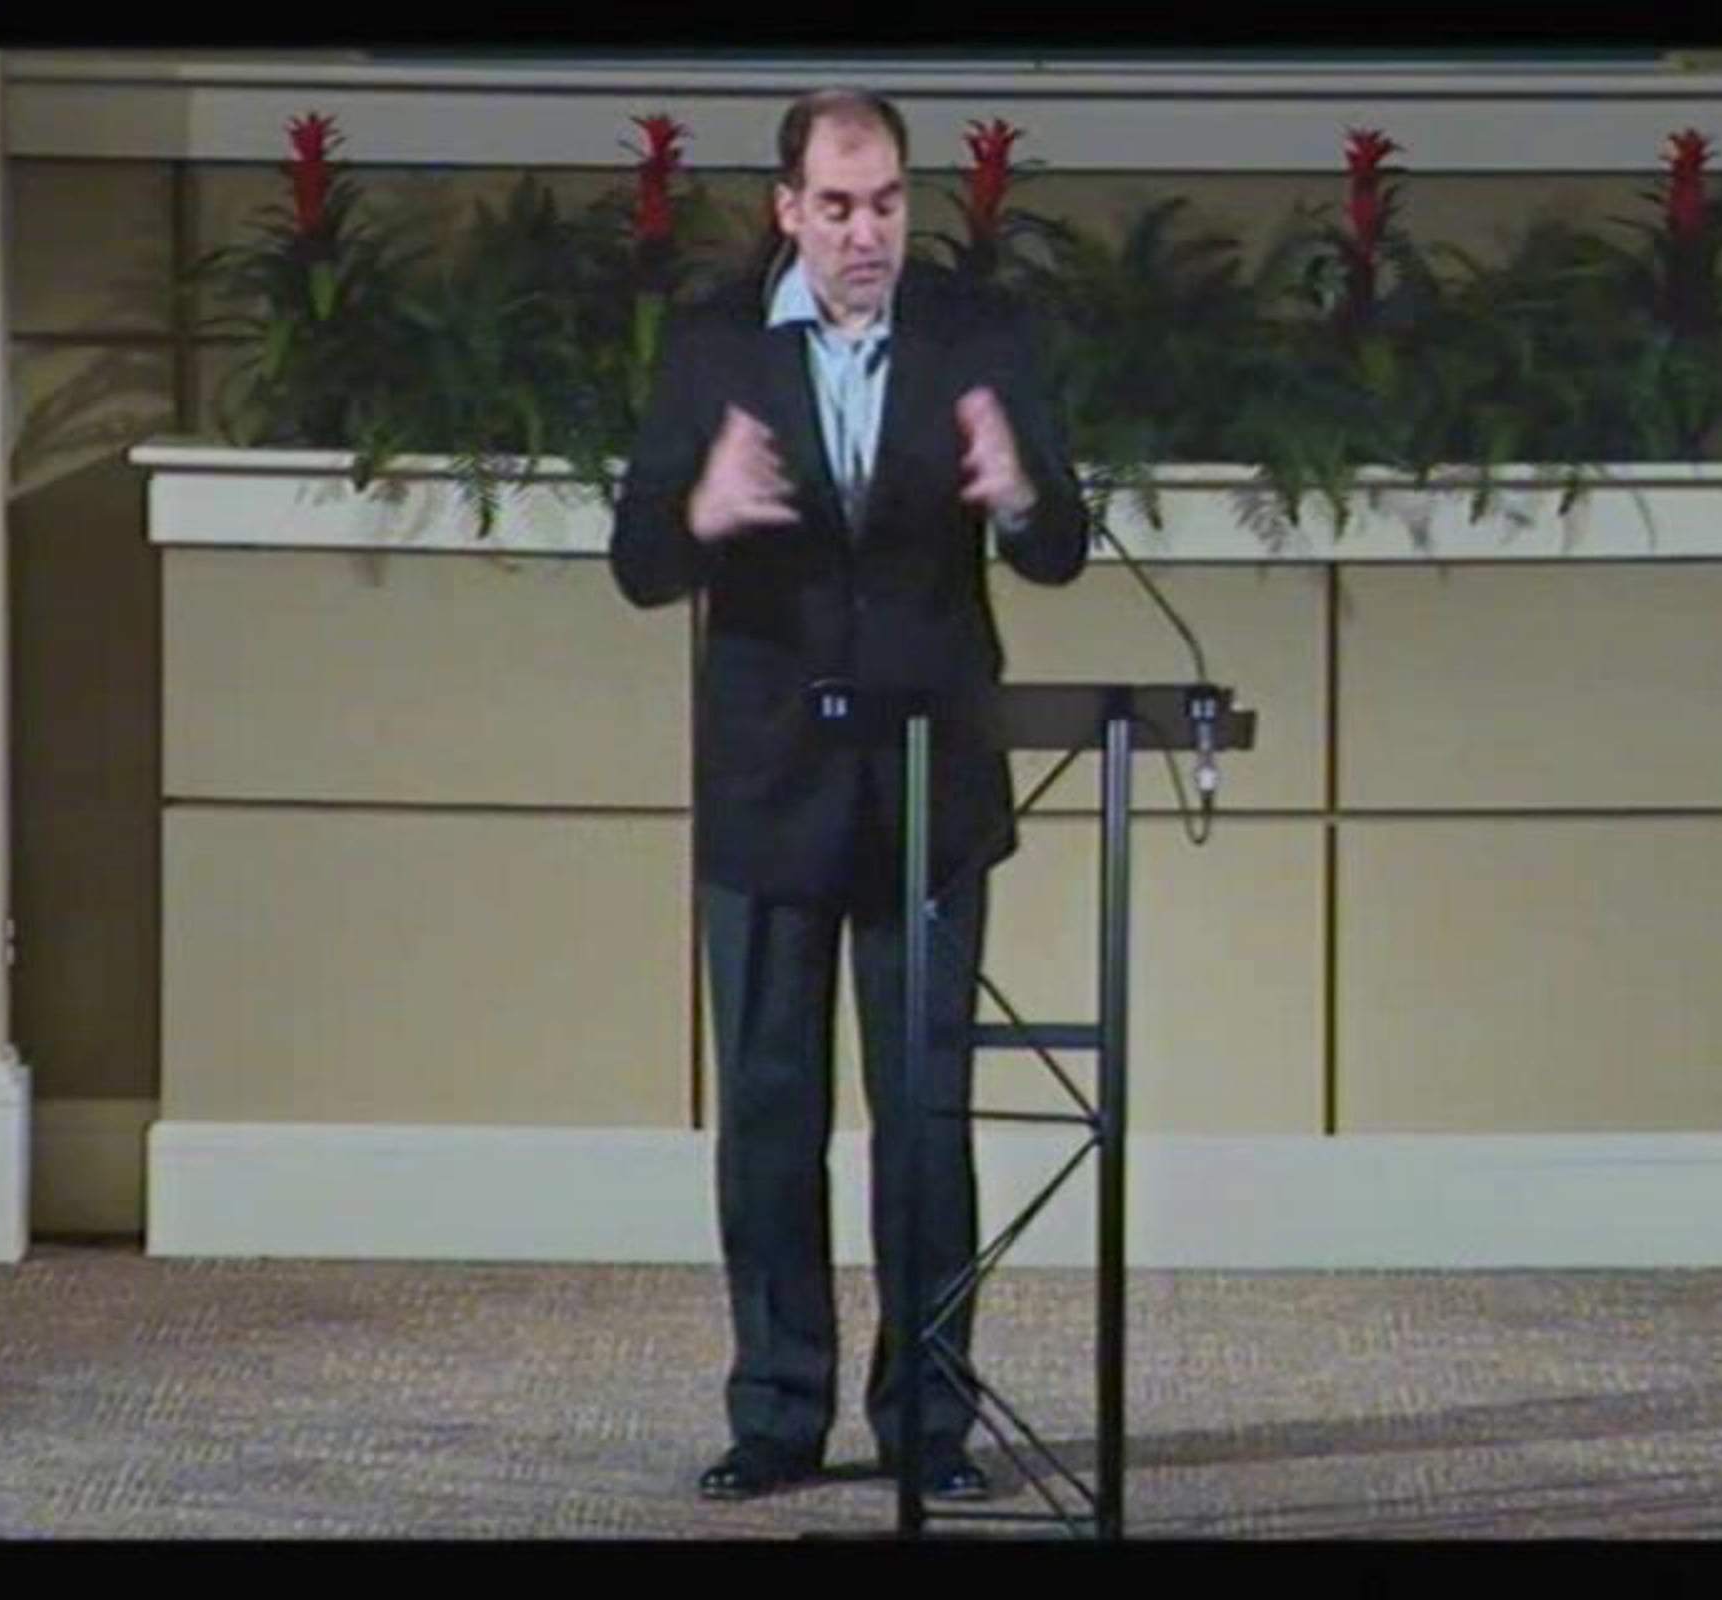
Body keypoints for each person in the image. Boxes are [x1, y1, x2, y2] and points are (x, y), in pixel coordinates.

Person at [607, 87, 1089, 1503]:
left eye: (884, 204)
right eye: (836, 207)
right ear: (787, 209)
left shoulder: (978, 335)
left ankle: (929, 1424)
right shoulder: (714, 344)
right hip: (768, 785)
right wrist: (699, 514)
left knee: (926, 1116)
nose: (865, 233)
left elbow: (1061, 542)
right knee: (771, 1117)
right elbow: (636, 558)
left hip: (931, 785)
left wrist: (1019, 494)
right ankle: (777, 1414)